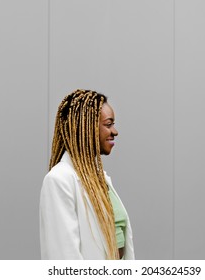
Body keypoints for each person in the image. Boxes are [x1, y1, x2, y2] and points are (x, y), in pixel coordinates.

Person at [40, 89, 135, 260]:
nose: (115, 131)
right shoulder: (59, 180)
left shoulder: (100, 179)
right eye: (108, 124)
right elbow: (63, 257)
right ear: (87, 127)